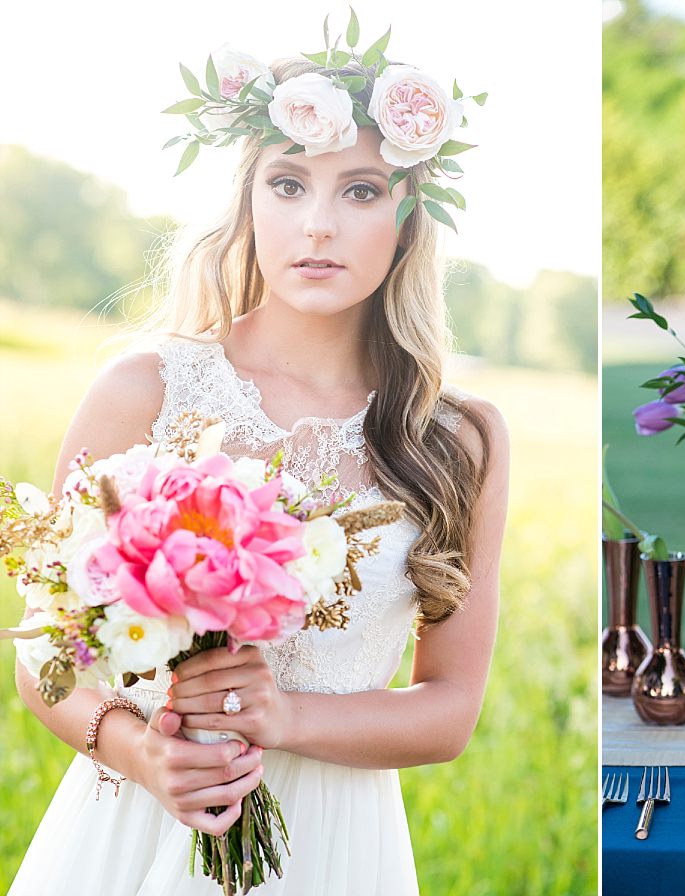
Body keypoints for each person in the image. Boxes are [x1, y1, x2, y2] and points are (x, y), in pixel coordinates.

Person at [8, 37, 507, 896]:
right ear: (248, 202)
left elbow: (450, 711)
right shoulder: (143, 391)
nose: (318, 224)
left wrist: (285, 715)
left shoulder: (456, 437)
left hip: (336, 845)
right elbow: (43, 659)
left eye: (359, 191)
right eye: (288, 184)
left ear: (410, 214)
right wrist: (146, 755)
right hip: (142, 823)